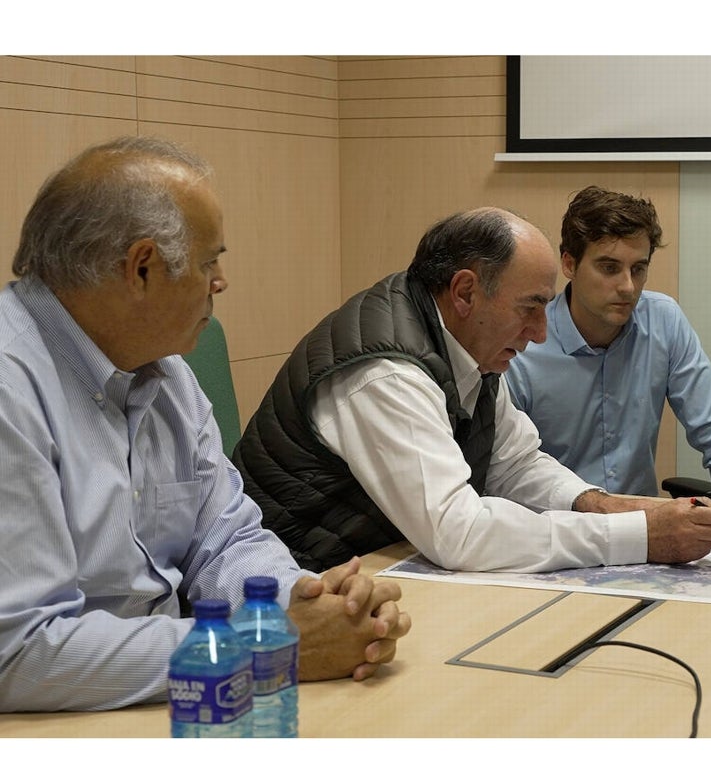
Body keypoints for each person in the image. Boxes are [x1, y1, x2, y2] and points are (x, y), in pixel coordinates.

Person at [0, 137, 410, 713]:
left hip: (162, 697)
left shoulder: (165, 372)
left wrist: (310, 605)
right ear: (142, 268)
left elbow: (225, 541)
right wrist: (263, 647)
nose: (220, 282)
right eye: (208, 262)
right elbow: (17, 654)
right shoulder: (9, 388)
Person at [233, 206, 711, 574]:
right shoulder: (386, 372)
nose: (540, 332)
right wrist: (640, 536)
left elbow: (514, 462)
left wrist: (600, 504)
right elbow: (461, 533)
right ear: (466, 292)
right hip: (294, 592)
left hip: (380, 565)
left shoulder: (462, 340)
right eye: (529, 307)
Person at [505, 185, 711, 505]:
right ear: (569, 265)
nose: (628, 286)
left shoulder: (663, 320)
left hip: (642, 531)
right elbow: (506, 468)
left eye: (638, 269)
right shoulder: (523, 345)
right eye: (609, 267)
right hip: (553, 529)